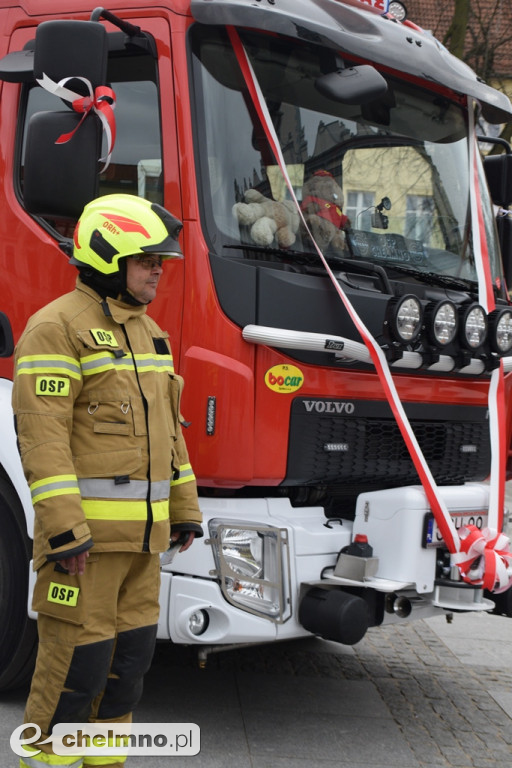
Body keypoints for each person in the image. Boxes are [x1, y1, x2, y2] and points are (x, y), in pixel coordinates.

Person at [12, 194, 203, 768]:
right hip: (85, 550)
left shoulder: (149, 333)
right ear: (109, 256)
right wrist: (66, 535)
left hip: (142, 545)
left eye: (160, 262)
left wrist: (184, 508)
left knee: (127, 672)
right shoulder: (55, 329)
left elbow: (171, 437)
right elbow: (42, 442)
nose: (158, 271)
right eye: (148, 260)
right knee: (74, 668)